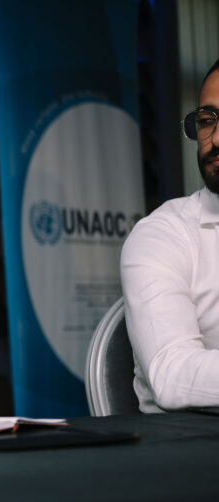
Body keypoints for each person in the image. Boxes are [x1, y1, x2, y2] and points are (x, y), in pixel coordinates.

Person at [121, 57, 219, 413]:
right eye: (207, 120)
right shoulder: (162, 234)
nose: (216, 138)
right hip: (191, 443)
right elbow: (171, 375)